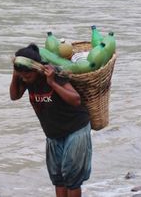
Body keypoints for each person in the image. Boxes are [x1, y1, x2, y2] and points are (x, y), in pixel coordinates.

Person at [9, 43, 92, 197]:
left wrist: (52, 82)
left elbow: (75, 100)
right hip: (53, 134)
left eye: (27, 76)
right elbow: (14, 96)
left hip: (75, 128)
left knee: (72, 178)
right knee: (58, 178)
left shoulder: (55, 75)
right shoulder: (25, 78)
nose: (25, 79)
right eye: (22, 76)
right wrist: (16, 75)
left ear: (37, 69)